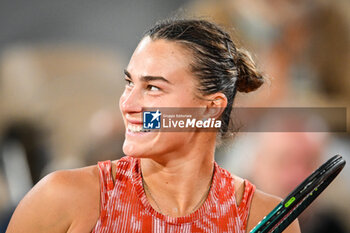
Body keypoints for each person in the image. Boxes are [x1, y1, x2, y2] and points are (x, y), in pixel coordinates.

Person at [6, 19, 300, 232]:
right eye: (129, 83)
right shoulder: (62, 197)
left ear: (210, 108)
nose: (128, 104)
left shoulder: (260, 215)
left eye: (153, 88)